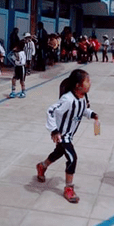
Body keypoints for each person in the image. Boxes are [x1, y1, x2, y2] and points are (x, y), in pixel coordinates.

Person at [36, 69, 99, 203]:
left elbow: (82, 110)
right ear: (77, 85)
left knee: (58, 152)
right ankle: (69, 188)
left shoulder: (82, 98)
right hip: (62, 135)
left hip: (69, 135)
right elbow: (51, 111)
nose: (90, 83)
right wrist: (54, 130)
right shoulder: (68, 99)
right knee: (72, 158)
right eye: (87, 81)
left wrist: (91, 114)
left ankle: (42, 166)